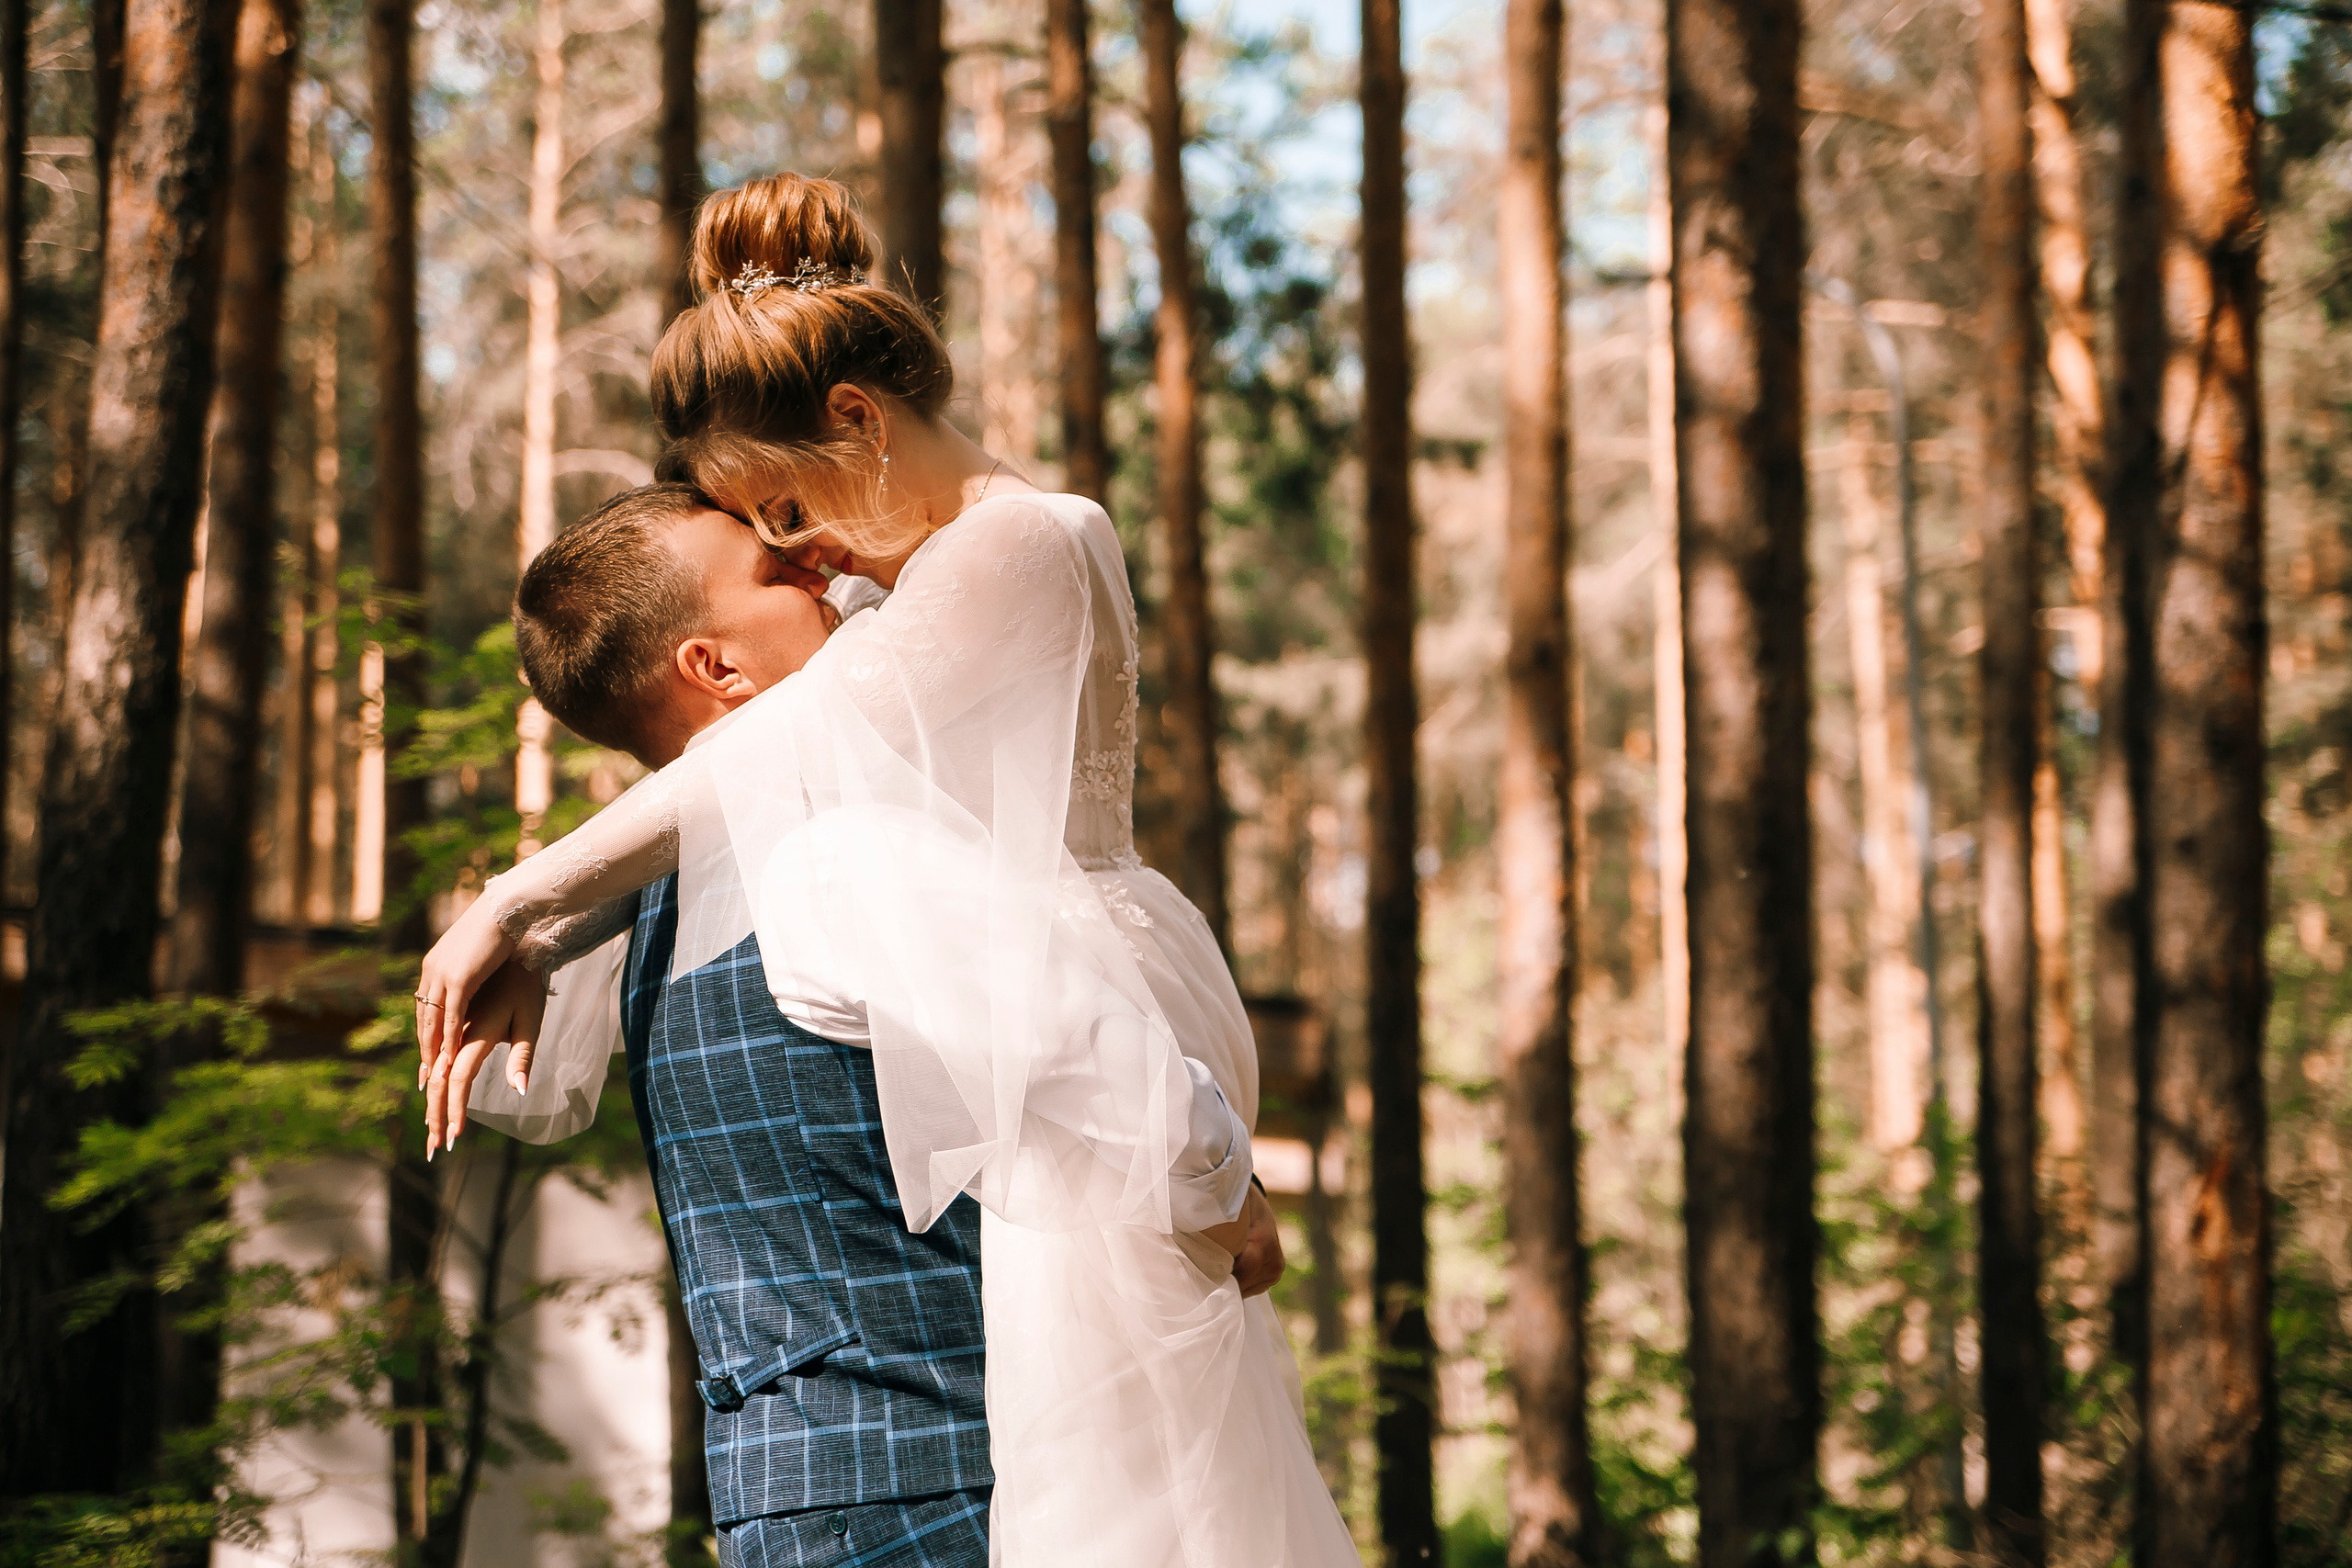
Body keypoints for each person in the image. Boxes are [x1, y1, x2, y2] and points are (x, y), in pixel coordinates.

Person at [415, 174, 1362, 1567]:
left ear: (855, 417)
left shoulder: (1023, 544)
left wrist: (524, 902)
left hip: (787, 1469)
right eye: (775, 541)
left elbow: (544, 1082)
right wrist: (543, 924)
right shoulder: (834, 824)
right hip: (929, 1445)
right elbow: (552, 1072)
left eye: (788, 510)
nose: (817, 564)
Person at [431, 482, 1276, 1567]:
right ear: (716, 668)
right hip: (953, 1484)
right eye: (777, 572)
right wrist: (1227, 1191)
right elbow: (1088, 1055)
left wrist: (540, 923)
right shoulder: (844, 852)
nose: (825, 574)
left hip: (776, 1497)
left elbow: (538, 1093)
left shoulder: (649, 910)